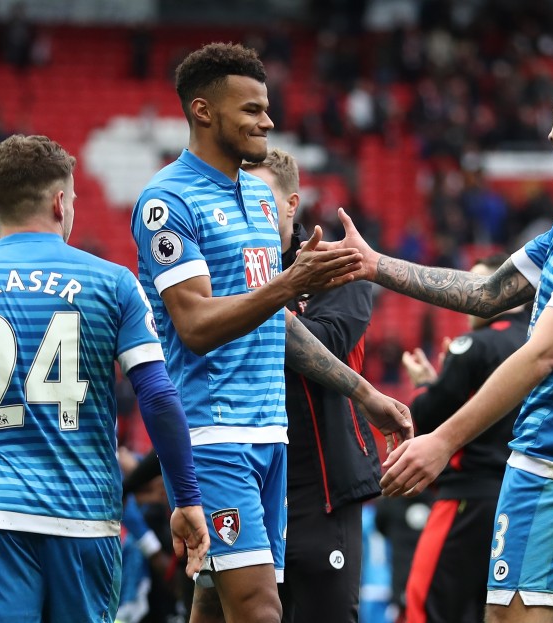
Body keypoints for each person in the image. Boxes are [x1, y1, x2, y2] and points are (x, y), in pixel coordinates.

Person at [323, 56, 553, 622]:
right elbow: (491, 293)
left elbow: (544, 352)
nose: (549, 130)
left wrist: (442, 440)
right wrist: (374, 265)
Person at [130, 42, 412, 623]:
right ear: (204, 112)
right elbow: (196, 325)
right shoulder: (167, 201)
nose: (269, 120)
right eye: (252, 110)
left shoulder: (259, 199)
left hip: (270, 433)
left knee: (214, 601)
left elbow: (276, 321)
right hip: (214, 434)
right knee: (261, 608)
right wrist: (290, 284)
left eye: (267, 107)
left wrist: (365, 394)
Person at [0, 134, 210, 623]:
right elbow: (159, 399)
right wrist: (186, 498)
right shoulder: (114, 282)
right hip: (85, 516)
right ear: (61, 202)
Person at [243, 149, 381, 623]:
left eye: (260, 199)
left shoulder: (338, 265)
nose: (248, 211)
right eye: (238, 199)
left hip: (318, 490)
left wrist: (253, 300)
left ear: (291, 204)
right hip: (245, 481)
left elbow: (330, 341)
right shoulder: (222, 273)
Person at [401, 253, 529, 623]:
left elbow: (428, 415)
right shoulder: (543, 343)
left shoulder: (473, 346)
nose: (471, 294)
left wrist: (426, 387)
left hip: (467, 500)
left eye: (480, 285)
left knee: (427, 607)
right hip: (521, 500)